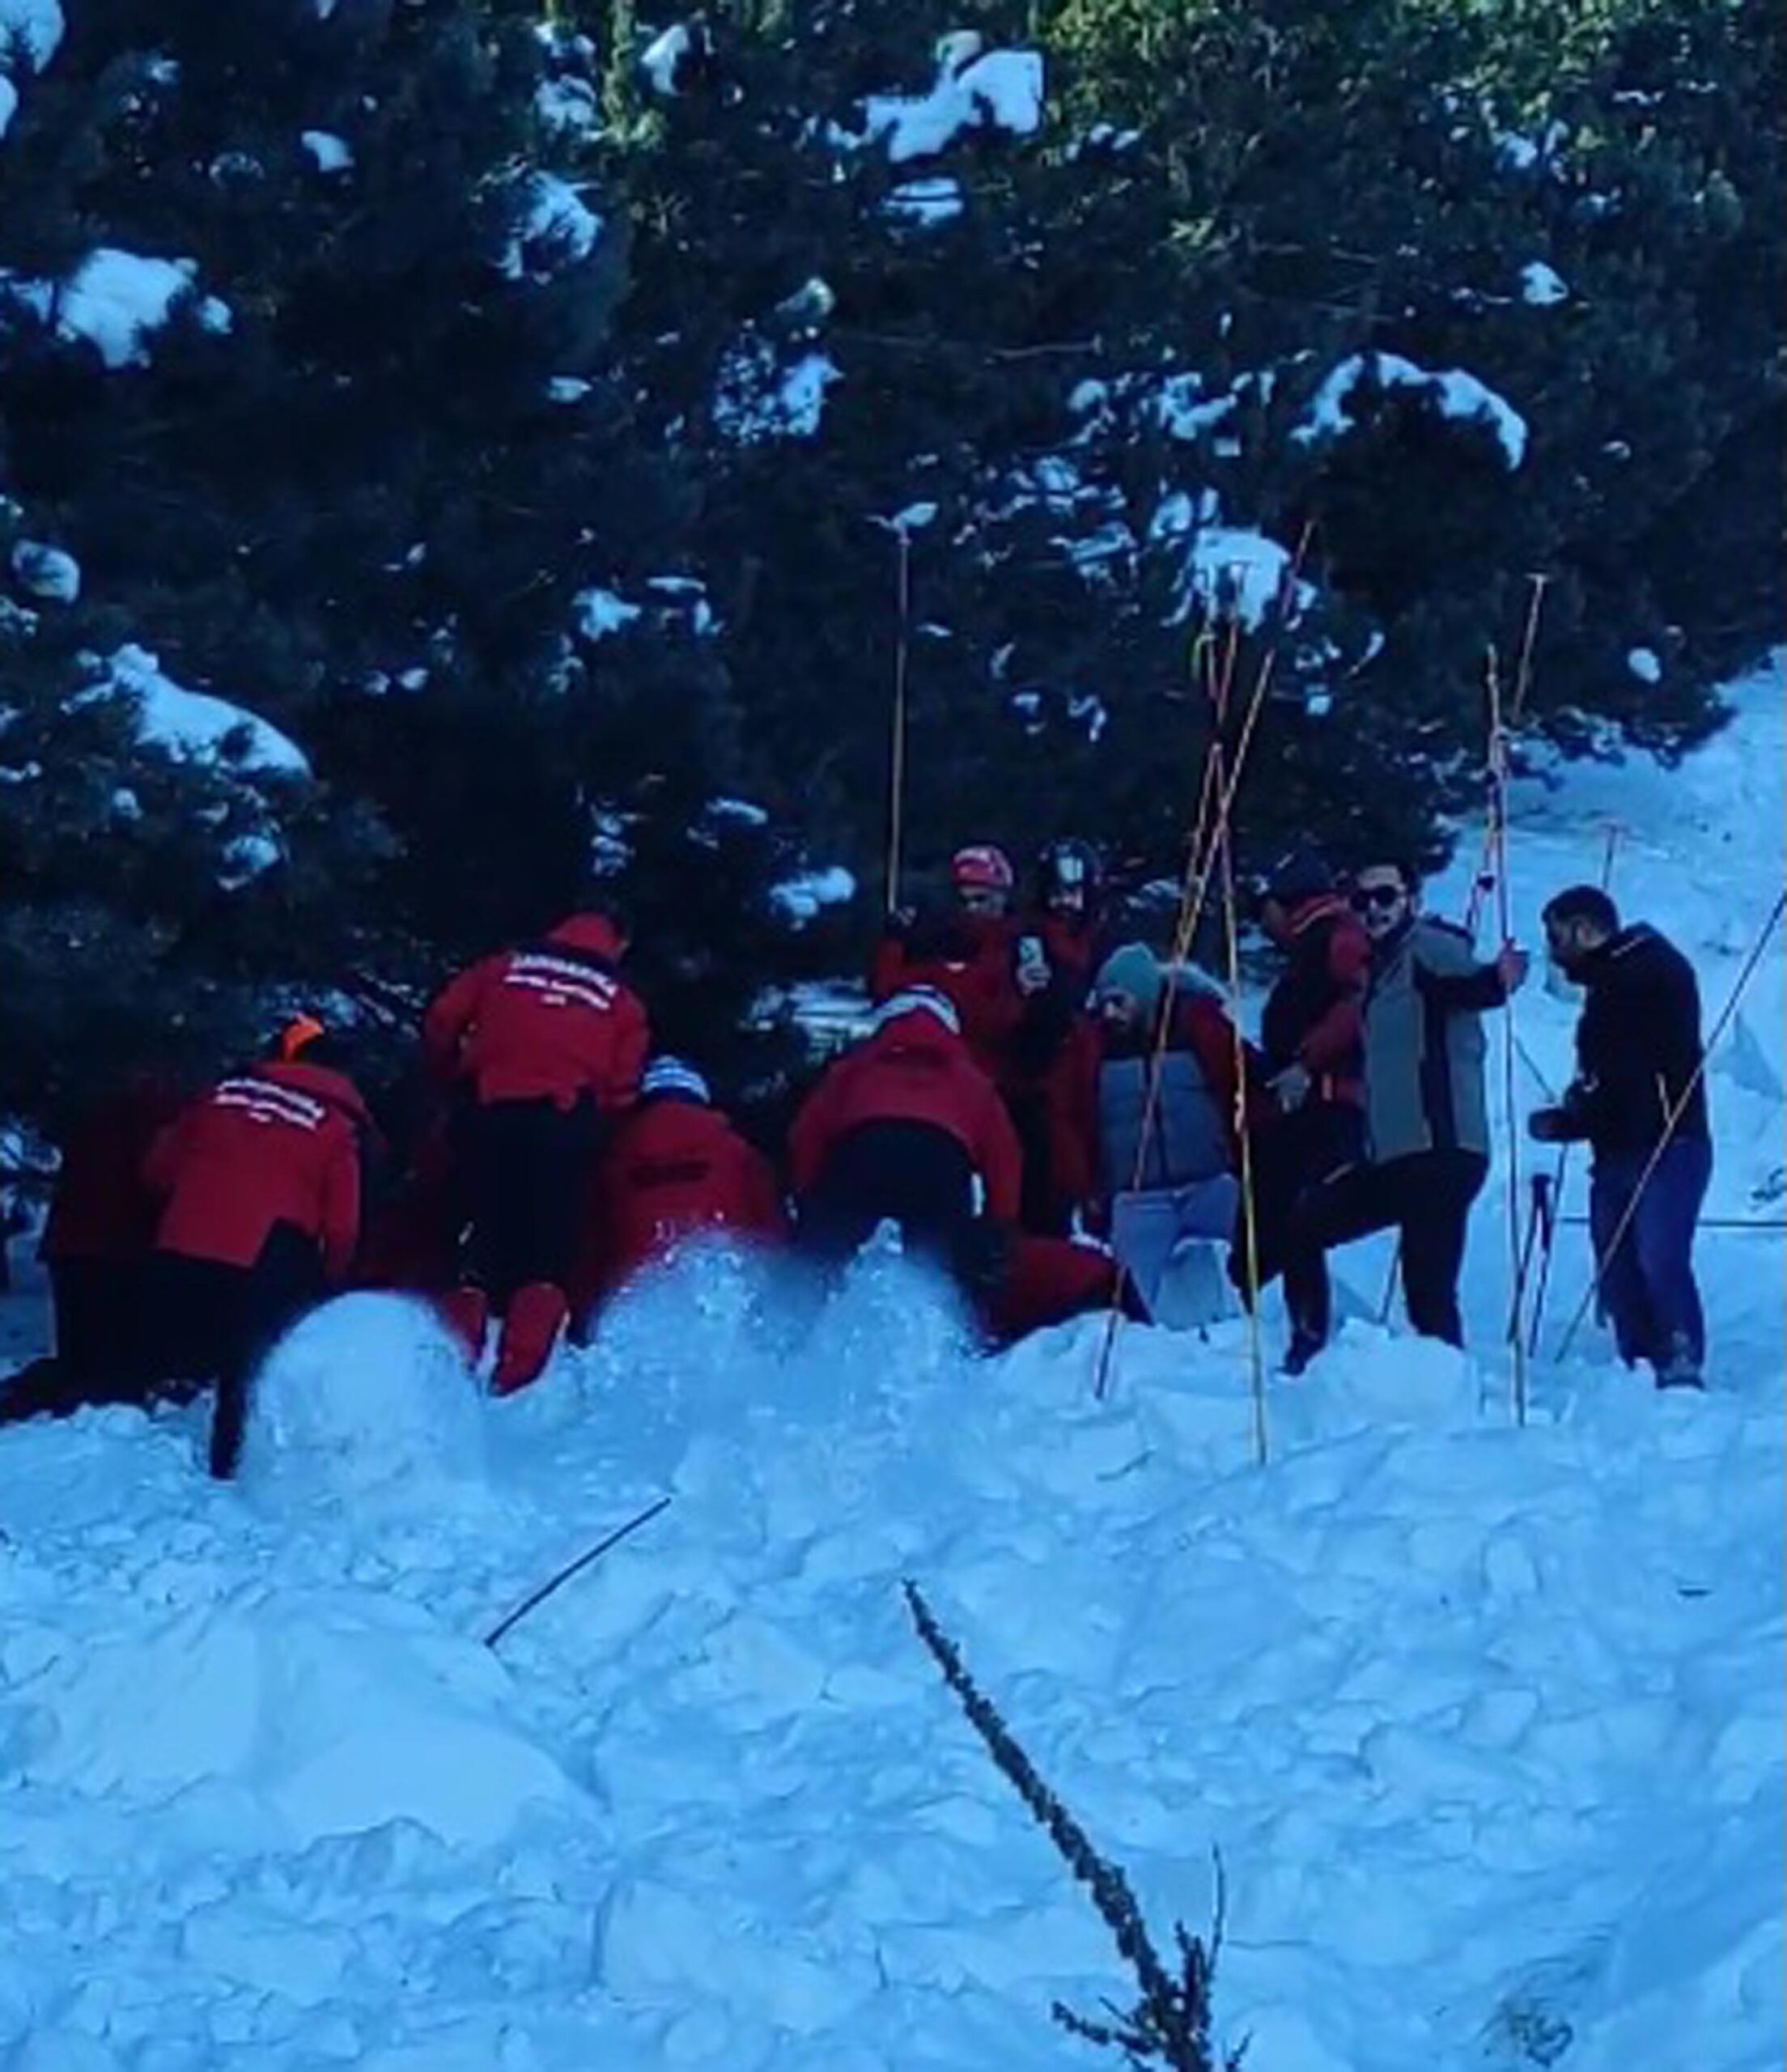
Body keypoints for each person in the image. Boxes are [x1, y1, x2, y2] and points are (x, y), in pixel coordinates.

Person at [1279, 858, 1527, 1360]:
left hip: (1440, 1148)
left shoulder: (1427, 949)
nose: (1374, 909)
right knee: (1303, 1226)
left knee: (1427, 1288)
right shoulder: (1378, 973)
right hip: (1394, 1154)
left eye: (1386, 897)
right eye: (1362, 900)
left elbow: (1471, 986)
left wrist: (1497, 980)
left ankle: (1451, 1389)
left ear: (1410, 900)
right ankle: (1307, 1346)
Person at [423, 906, 648, 1395]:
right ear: (619, 943)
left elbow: (442, 1018)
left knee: (474, 1242)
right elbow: (623, 1090)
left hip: (489, 1110)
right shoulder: (623, 1002)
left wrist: (452, 1075)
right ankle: (517, 1380)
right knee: (548, 1254)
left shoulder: (503, 967)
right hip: (565, 1126)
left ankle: (453, 1364)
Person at [141, 1021, 371, 1477]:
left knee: (168, 1360)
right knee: (243, 1370)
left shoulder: (220, 1096)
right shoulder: (335, 1126)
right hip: (264, 1260)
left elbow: (156, 1170)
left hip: (180, 1245)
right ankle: (227, 1467)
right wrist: (332, 1275)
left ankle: (137, 1450)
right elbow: (343, 1223)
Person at [1528, 885, 1710, 1389]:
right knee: (1616, 1263)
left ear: (1587, 930)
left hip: (1670, 1140)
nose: (1554, 950)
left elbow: (1631, 1072)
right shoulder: (1607, 990)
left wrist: (1581, 1112)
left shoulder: (1645, 970)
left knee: (1659, 1254)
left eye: (1558, 936)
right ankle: (1638, 1363)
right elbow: (1610, 1081)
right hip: (1617, 1149)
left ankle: (1679, 1360)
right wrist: (1576, 1113)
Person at [789, 987, 1022, 1292]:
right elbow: (1004, 1159)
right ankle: (949, 1326)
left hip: (863, 1151)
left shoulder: (853, 1071)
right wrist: (998, 1226)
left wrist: (808, 1202)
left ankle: (799, 1317)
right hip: (942, 1162)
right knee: (942, 1271)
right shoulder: (973, 1081)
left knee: (822, 1259)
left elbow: (805, 1135)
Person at [1246, 847, 1373, 1370]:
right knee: (1291, 1216)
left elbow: (1358, 1002)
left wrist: (1306, 1061)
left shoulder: (1338, 936)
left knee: (1303, 1216)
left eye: (1266, 912)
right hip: (1307, 1104)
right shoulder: (1312, 947)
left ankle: (1309, 1335)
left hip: (1327, 1105)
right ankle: (1297, 1326)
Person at [1079, 942, 1247, 1323]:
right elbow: (1076, 1119)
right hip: (1136, 1198)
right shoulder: (1092, 1049)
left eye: (1119, 1001)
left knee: (1239, 1282)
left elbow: (1242, 1089)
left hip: (1211, 1184)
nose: (1109, 1013)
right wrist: (1091, 1190)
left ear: (1144, 995)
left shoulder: (1200, 1030)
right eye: (1103, 1002)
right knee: (1135, 1303)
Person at [575, 1055, 785, 1314]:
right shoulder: (738, 1153)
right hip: (726, 1291)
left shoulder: (613, 1160)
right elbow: (770, 1233)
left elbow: (593, 1251)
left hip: (631, 1298)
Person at [29, 1072, 187, 1413]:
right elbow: (157, 1182)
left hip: (72, 1242)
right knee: (116, 1357)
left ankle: (67, 1396)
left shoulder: (97, 1115)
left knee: (80, 1348)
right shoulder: (166, 1123)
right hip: (122, 1247)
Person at [1005, 839, 1110, 1233]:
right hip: (1038, 1080)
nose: (1067, 903)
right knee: (1042, 1186)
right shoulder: (1028, 939)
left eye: (1074, 893)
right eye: (1059, 893)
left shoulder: (1099, 939)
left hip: (1087, 1074)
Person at [868, 845, 1029, 1084]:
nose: (971, 909)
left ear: (1002, 897)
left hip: (988, 1080)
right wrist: (895, 944)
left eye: (981, 899)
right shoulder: (932, 939)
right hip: (929, 1072)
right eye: (962, 901)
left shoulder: (1019, 946)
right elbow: (888, 993)